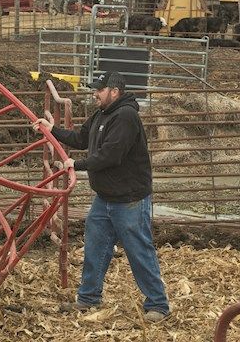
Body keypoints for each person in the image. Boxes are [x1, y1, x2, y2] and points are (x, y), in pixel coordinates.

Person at [32, 71, 170, 322]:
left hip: (129, 199)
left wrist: (76, 164)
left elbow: (111, 156)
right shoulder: (101, 115)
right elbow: (82, 138)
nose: (94, 93)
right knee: (95, 248)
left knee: (139, 251)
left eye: (99, 89)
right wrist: (52, 129)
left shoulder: (126, 117)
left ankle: (158, 305)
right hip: (105, 197)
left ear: (114, 91)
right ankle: (88, 298)